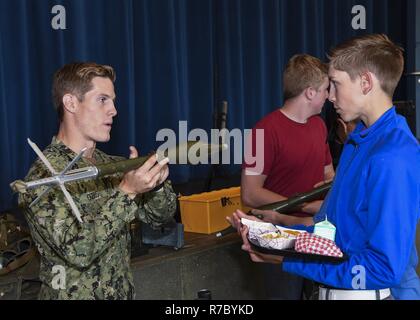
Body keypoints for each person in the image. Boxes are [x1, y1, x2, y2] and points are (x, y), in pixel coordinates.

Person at [231, 34, 420, 300]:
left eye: (335, 84)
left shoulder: (394, 155)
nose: (329, 95)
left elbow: (382, 268)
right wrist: (273, 239)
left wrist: (289, 260)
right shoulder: (359, 142)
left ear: (365, 82)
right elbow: (329, 233)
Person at [18, 62, 177, 300]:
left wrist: (157, 184)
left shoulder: (110, 165)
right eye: (102, 100)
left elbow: (159, 217)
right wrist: (126, 192)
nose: (113, 110)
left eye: (112, 100)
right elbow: (78, 250)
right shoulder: (44, 177)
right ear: (71, 103)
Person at [241, 54, 335, 300]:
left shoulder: (320, 125)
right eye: (326, 89)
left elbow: (329, 176)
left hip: (317, 231)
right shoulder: (263, 131)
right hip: (279, 235)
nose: (329, 95)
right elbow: (250, 193)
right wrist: (303, 203)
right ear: (310, 92)